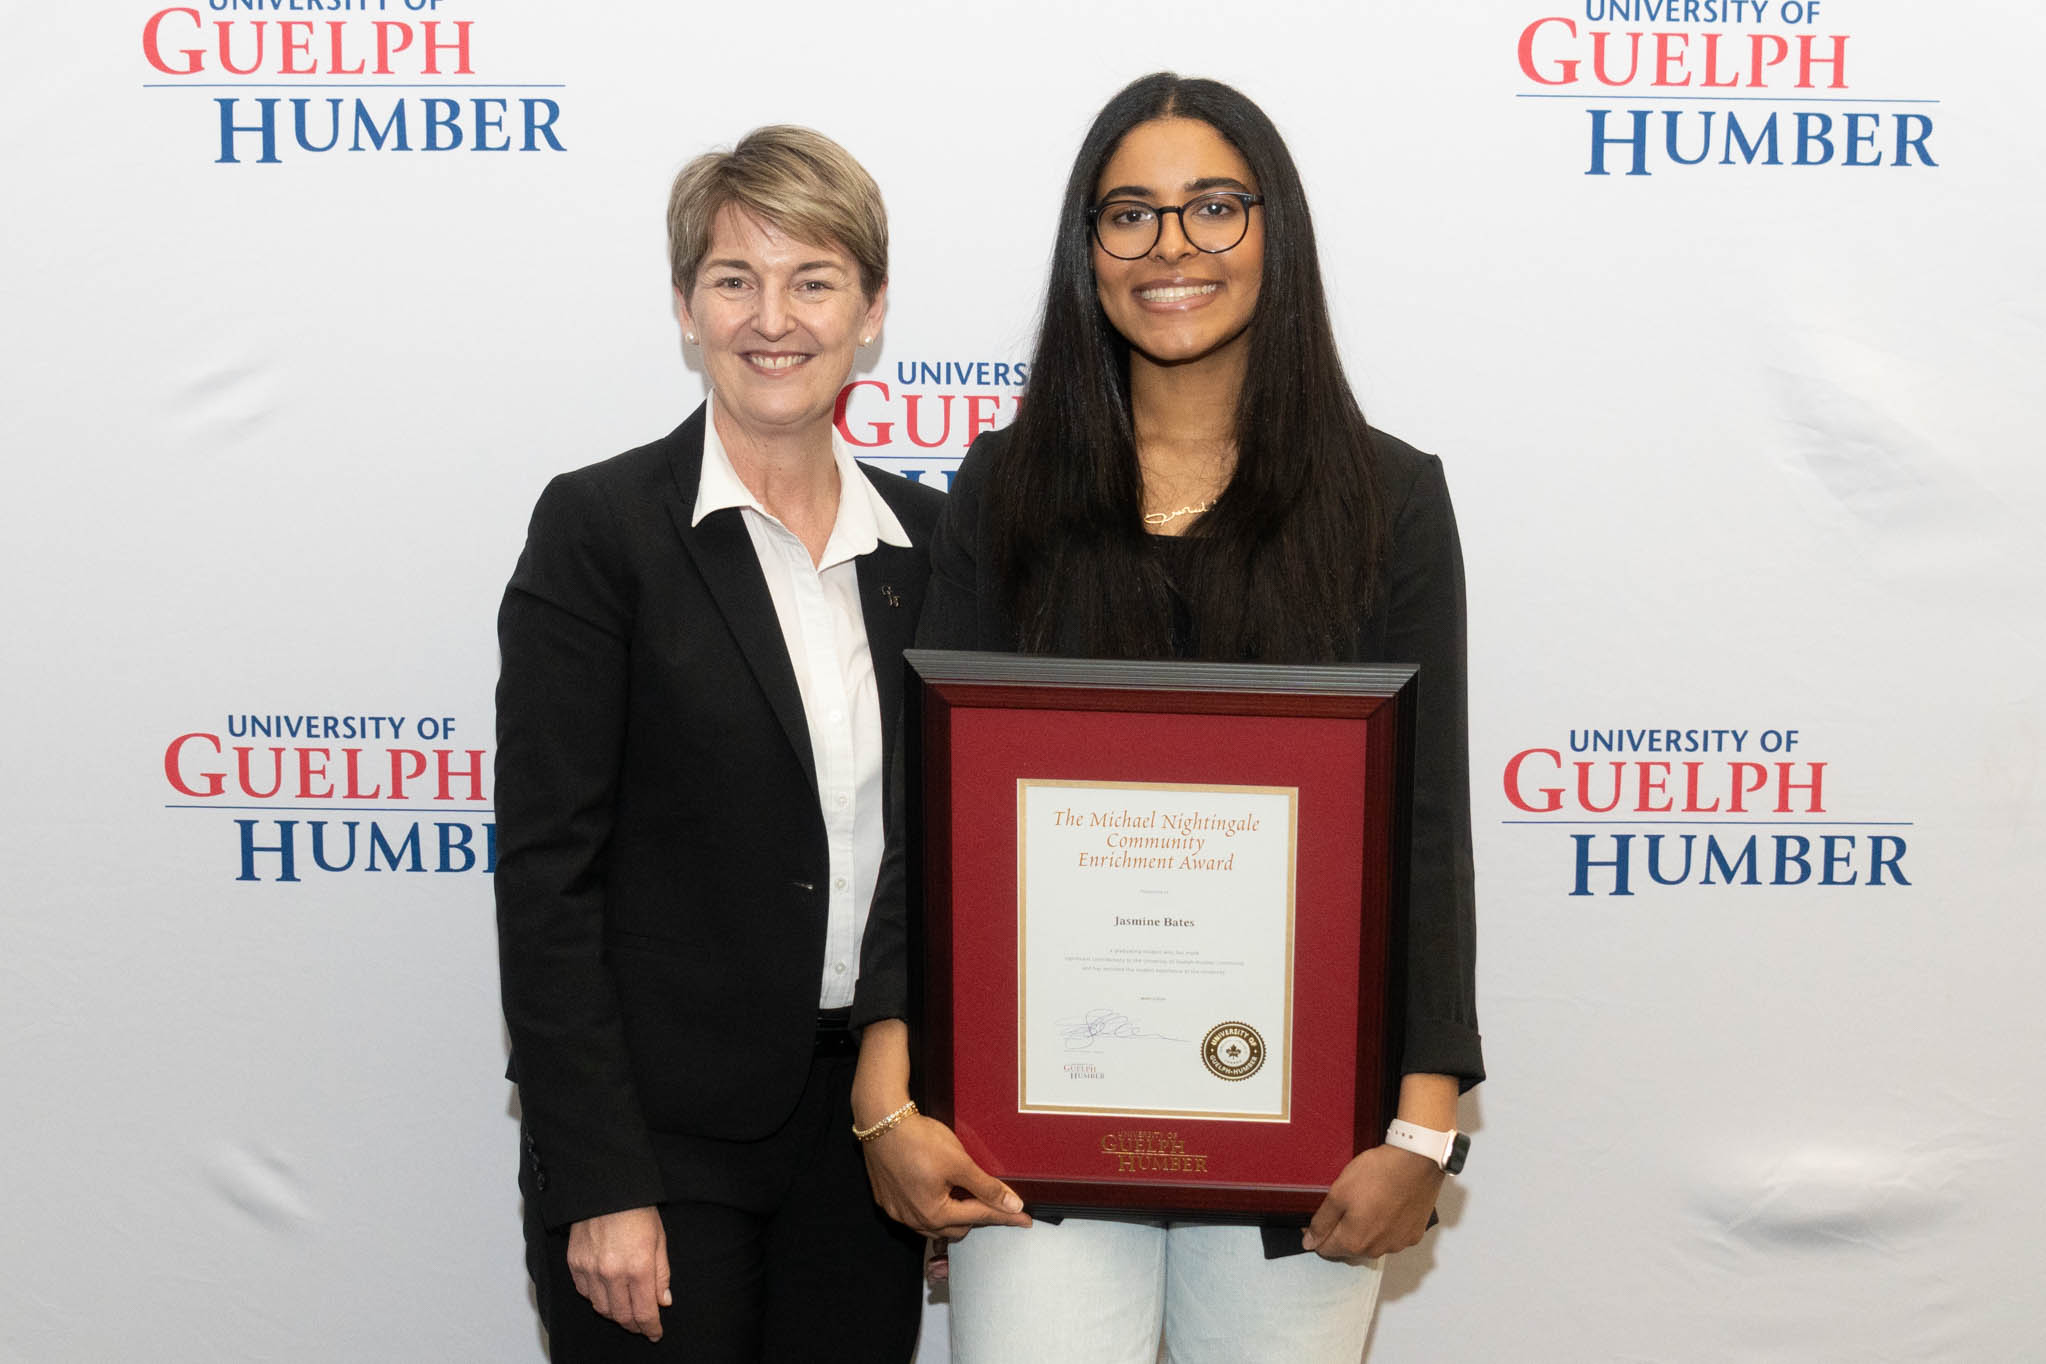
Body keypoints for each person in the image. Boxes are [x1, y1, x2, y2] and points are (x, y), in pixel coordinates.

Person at [851, 73, 1484, 1362]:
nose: (1173, 248)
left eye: (1214, 208)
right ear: (1087, 254)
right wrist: (885, 1086)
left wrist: (1421, 1130)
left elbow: (1426, 832)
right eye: (1128, 215)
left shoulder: (1389, 499)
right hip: (1035, 1131)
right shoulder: (1004, 487)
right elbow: (936, 815)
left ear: (1276, 231)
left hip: (1305, 1137)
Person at [495, 125, 944, 1363]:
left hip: (869, 1129)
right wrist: (598, 1178)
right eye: (735, 278)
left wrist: (942, 1112)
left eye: (814, 280)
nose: (772, 317)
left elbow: (951, 859)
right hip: (659, 1140)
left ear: (873, 308)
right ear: (687, 308)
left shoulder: (939, 547)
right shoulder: (599, 529)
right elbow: (548, 875)